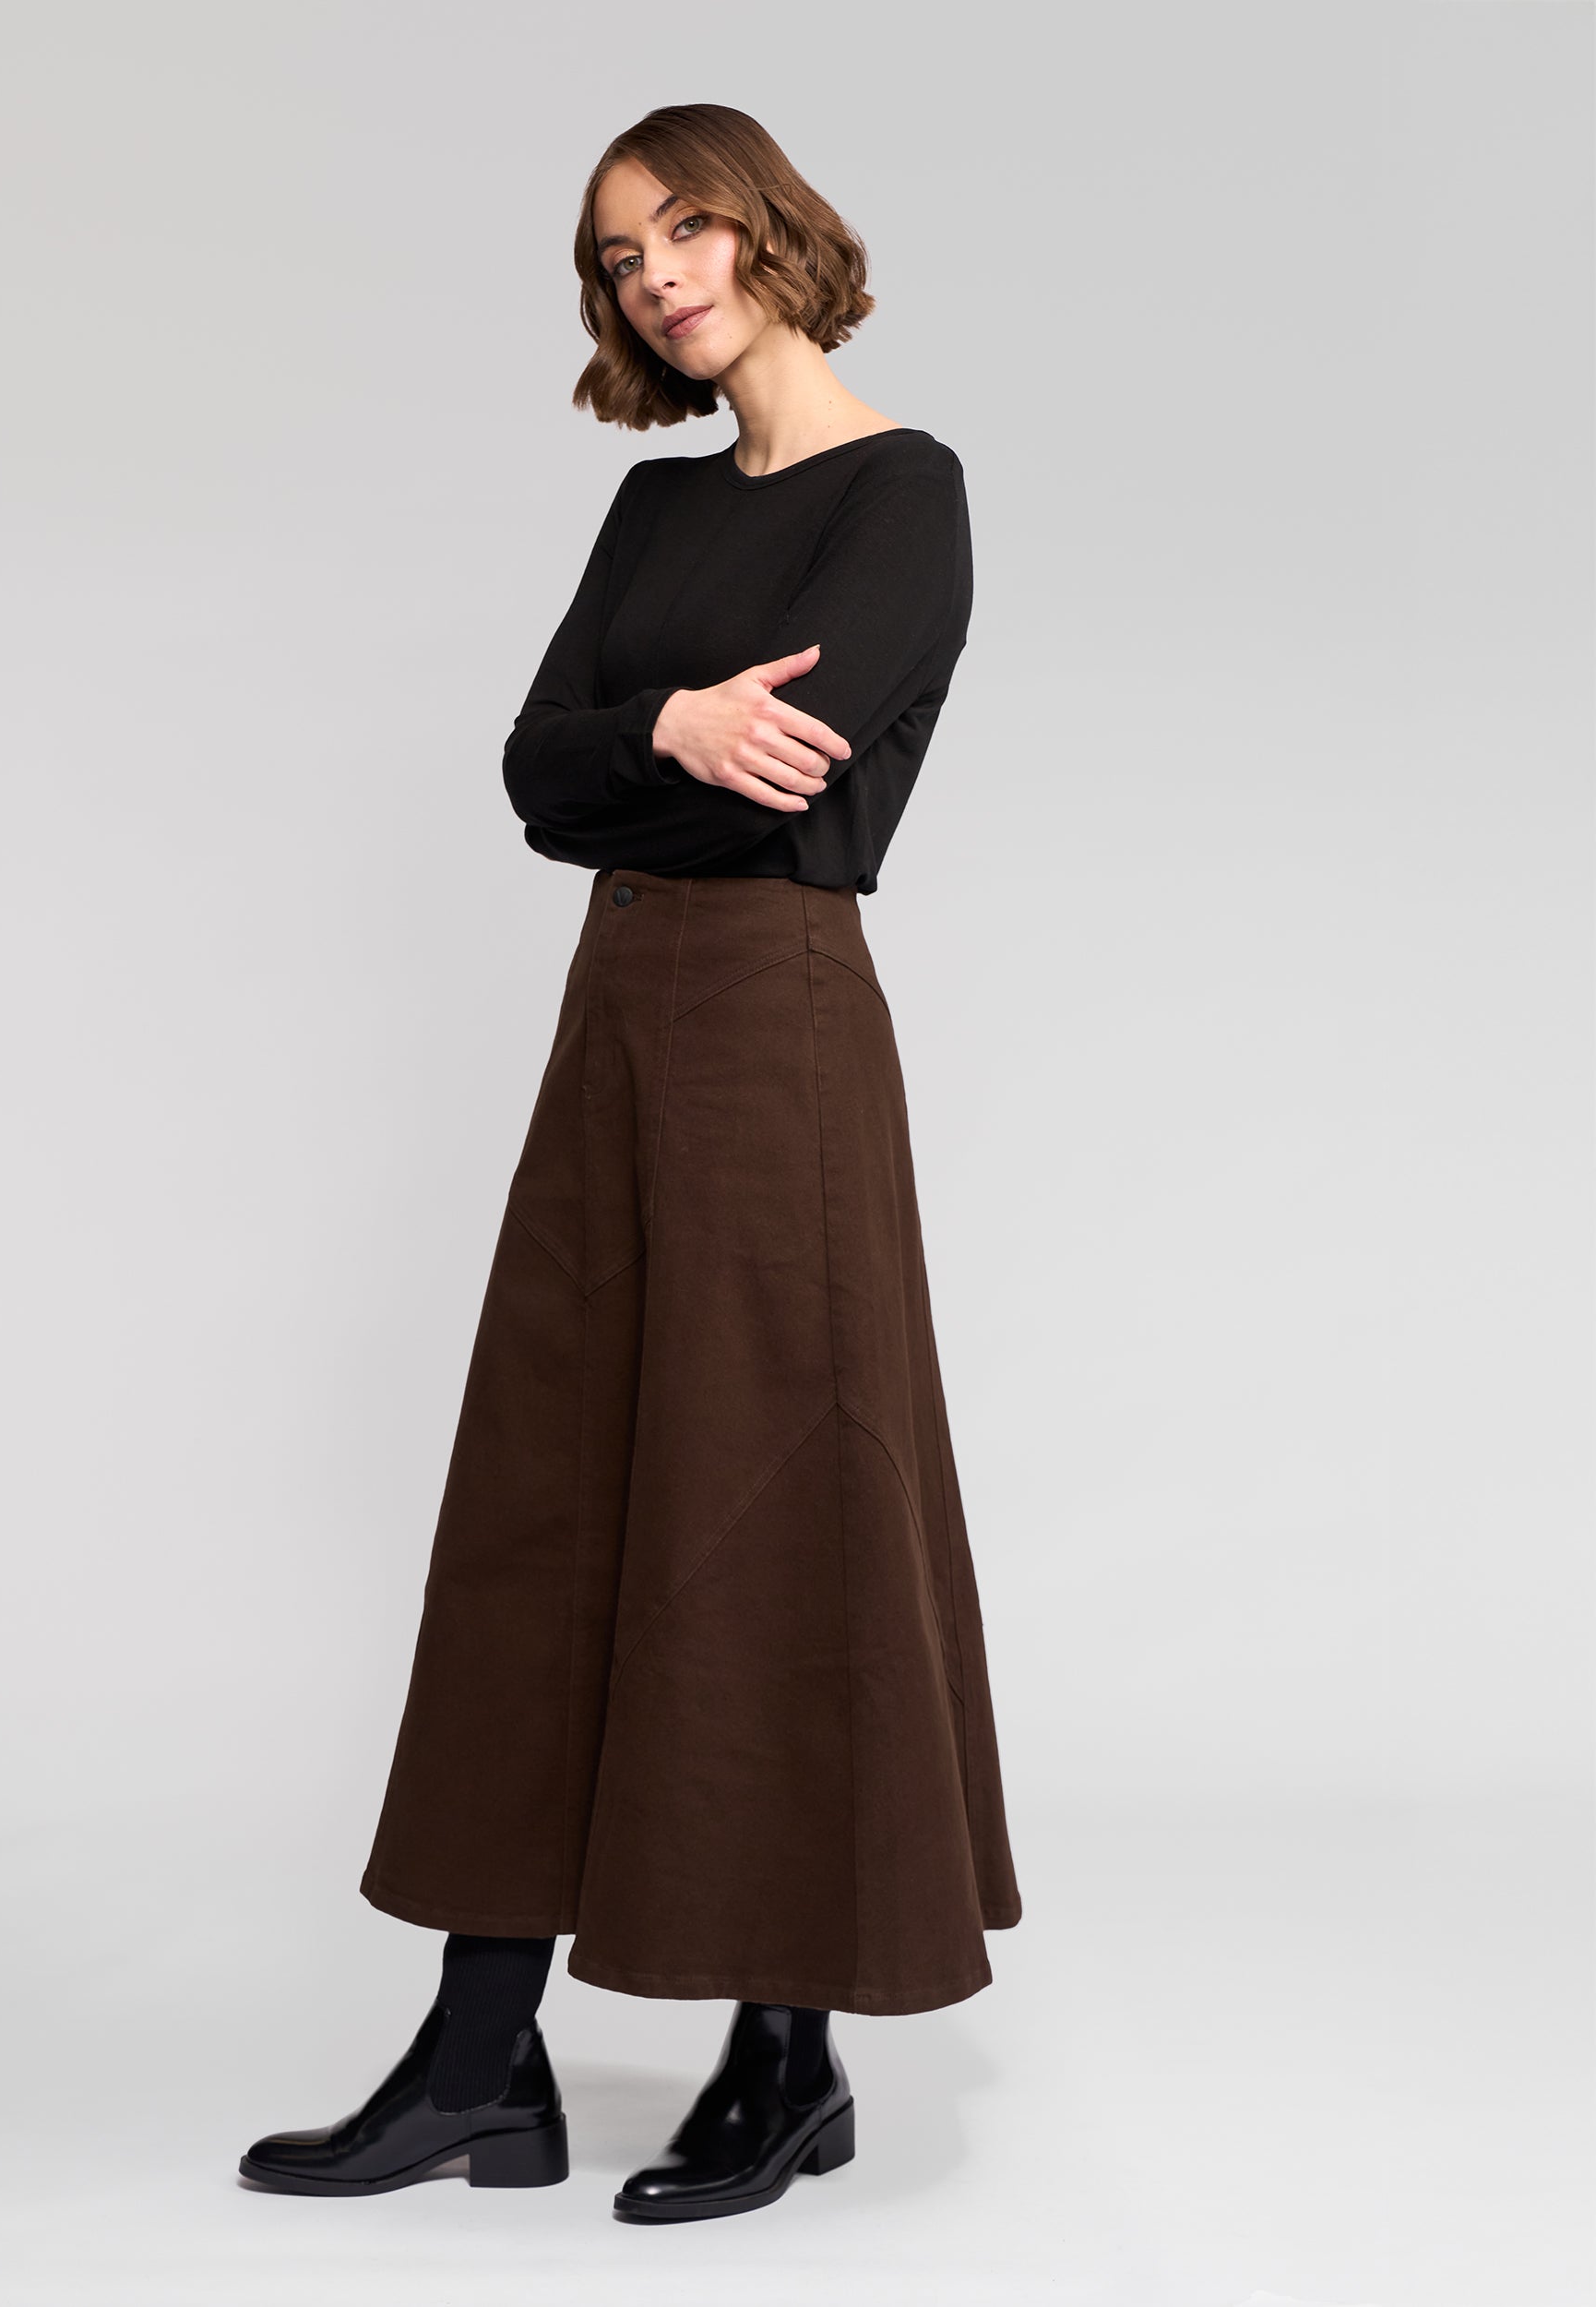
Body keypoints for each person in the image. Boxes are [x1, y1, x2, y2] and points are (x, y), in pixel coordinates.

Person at [238, 100, 1022, 2225]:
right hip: (611, 1023)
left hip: (776, 1023)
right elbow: (536, 776)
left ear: (769, 225)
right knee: (547, 1498)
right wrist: (665, 730)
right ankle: (477, 2062)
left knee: (769, 1499)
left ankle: (788, 2054)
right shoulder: (653, 511)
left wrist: (647, 758)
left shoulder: (906, 492)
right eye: (614, 255)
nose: (656, 274)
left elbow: (799, 783)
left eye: (683, 226)